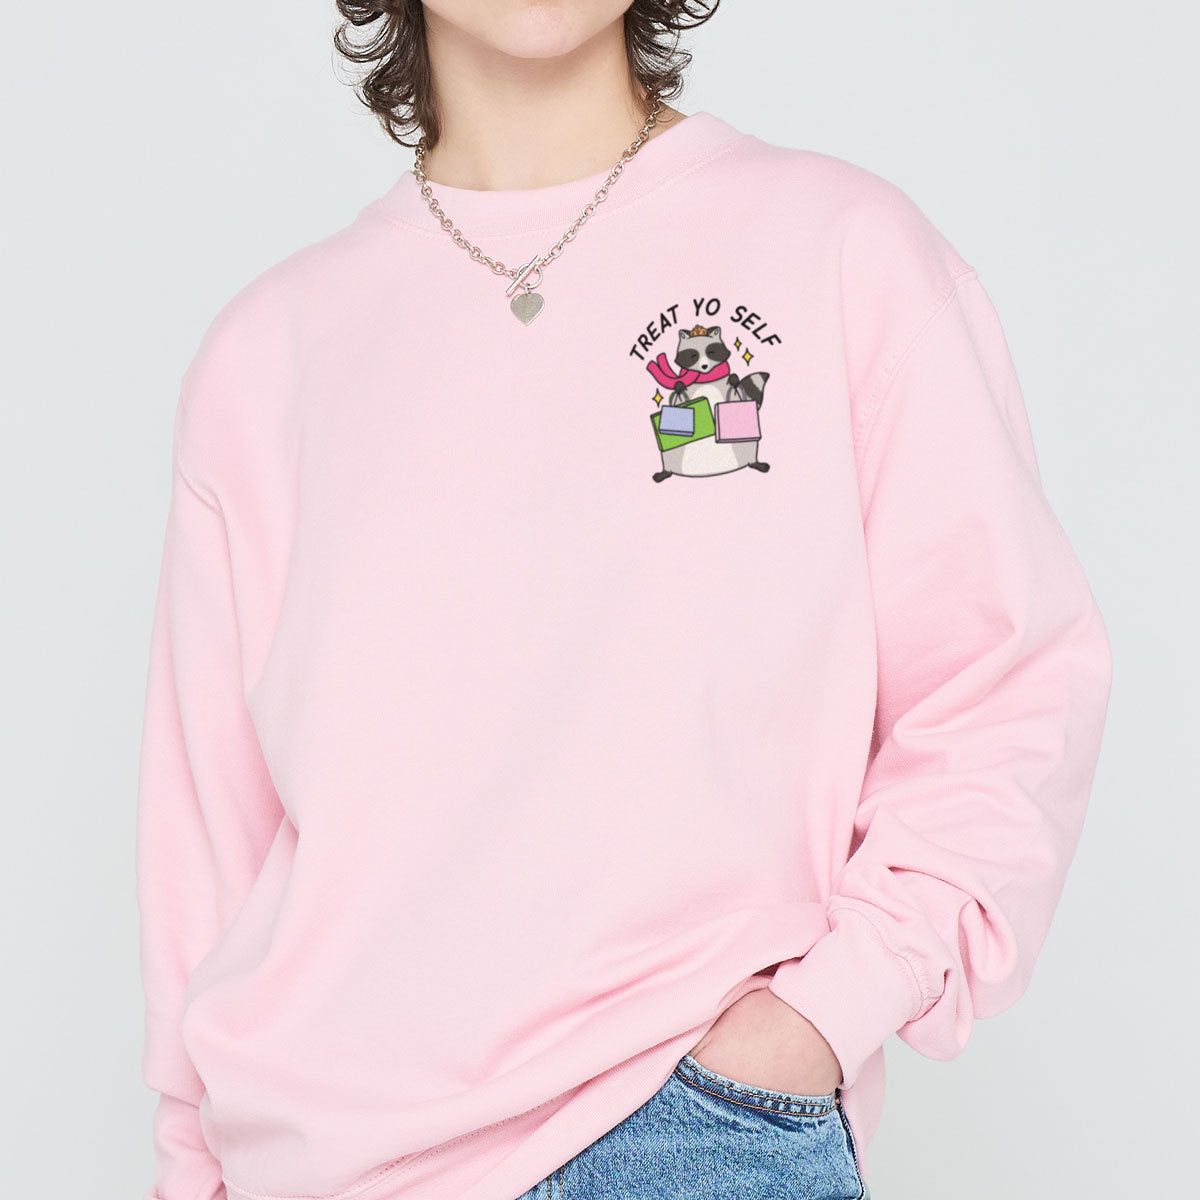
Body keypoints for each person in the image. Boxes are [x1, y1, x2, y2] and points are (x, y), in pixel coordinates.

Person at [133, 3, 1113, 1199]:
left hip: (690, 1131)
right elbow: (208, 859)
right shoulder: (267, 355)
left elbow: (1006, 690)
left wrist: (826, 1013)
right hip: (322, 1161)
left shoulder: (837, 249)